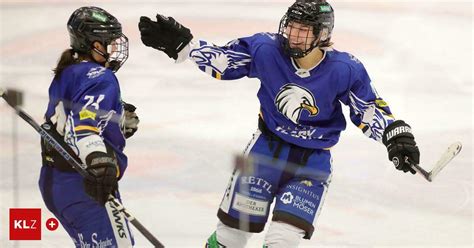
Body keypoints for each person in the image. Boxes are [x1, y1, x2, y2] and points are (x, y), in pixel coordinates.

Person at [138, 0, 420, 247]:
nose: (293, 35)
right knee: (231, 238)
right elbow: (225, 61)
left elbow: (368, 109)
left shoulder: (345, 69)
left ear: (322, 35)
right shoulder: (266, 49)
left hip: (312, 164)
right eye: (292, 26)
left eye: (303, 30)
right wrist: (185, 46)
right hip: (264, 153)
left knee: (282, 241)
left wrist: (394, 135)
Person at [39, 6, 138, 247]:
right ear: (91, 43)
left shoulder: (68, 71)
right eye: (107, 43)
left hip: (56, 183)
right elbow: (81, 123)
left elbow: (71, 116)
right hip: (84, 184)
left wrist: (114, 123)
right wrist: (97, 157)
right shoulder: (101, 77)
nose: (113, 49)